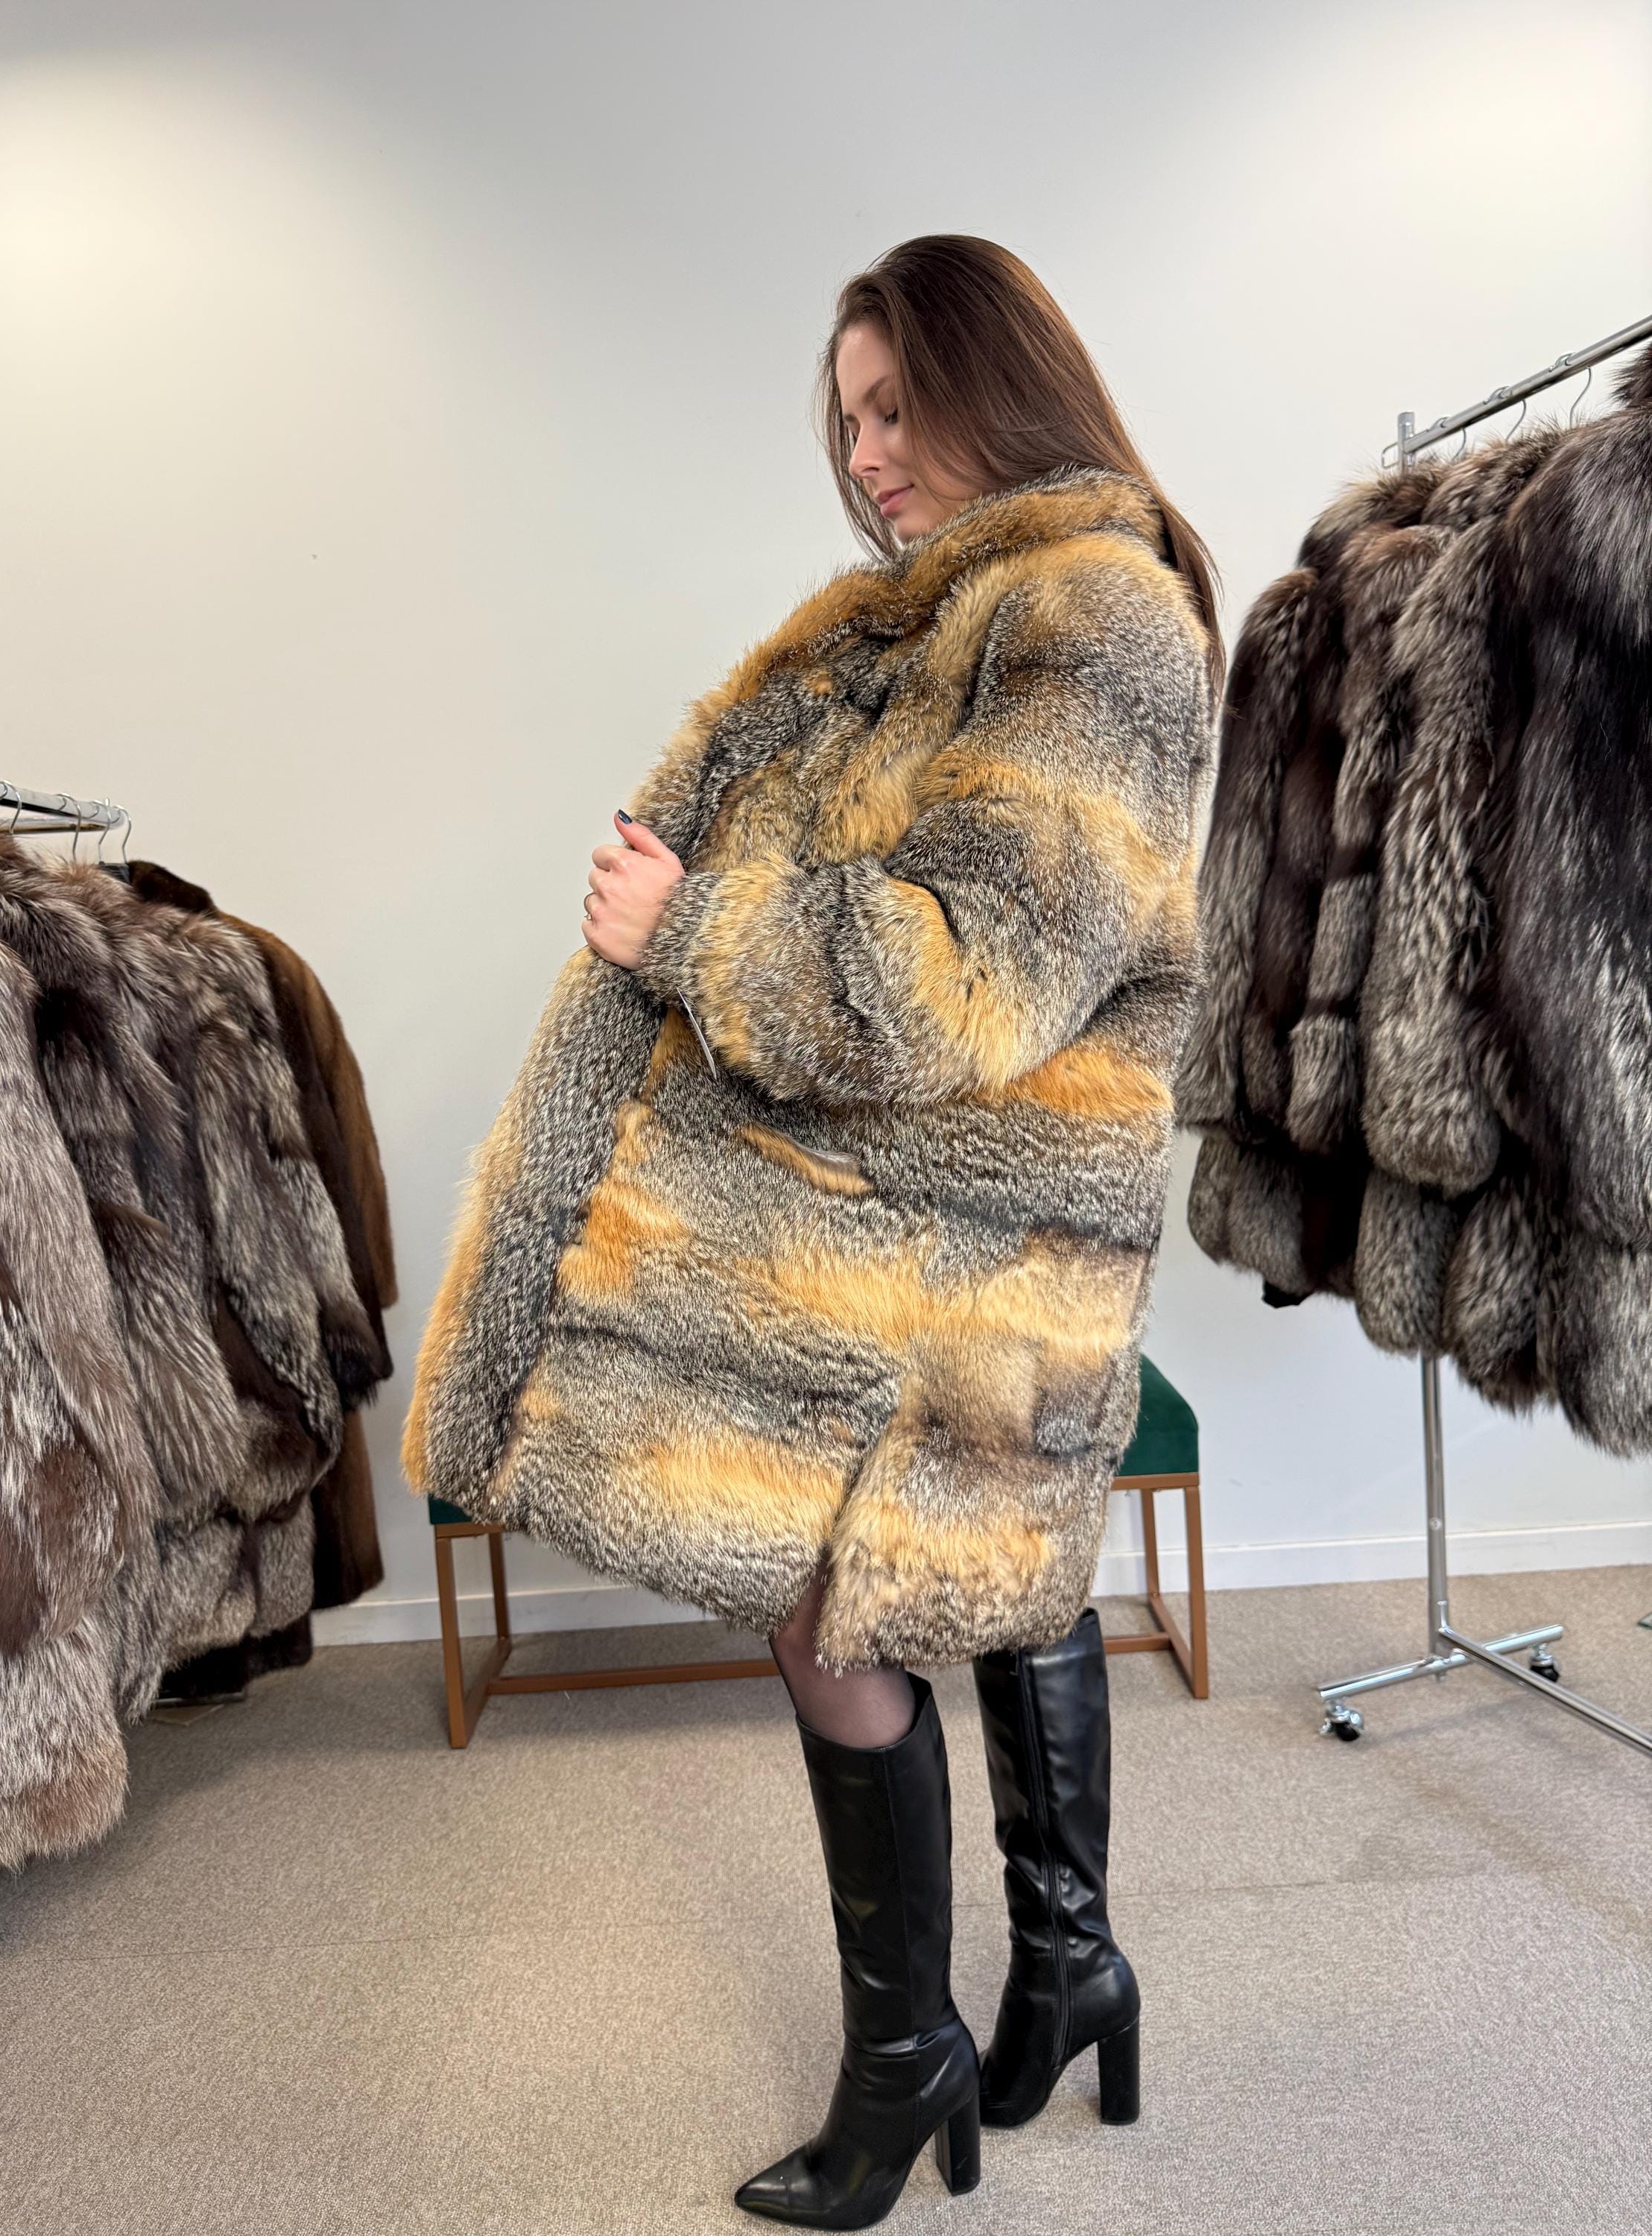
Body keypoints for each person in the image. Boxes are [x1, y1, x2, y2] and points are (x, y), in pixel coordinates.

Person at [404, 233, 1221, 2229]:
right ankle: (1061, 1971)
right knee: (992, 1585)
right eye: (846, 420)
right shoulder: (927, 626)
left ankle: (911, 2051)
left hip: (963, 1254)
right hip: (946, 1238)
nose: (865, 456)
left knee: (834, 1610)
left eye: (895, 407)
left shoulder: (1088, 620)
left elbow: (959, 974)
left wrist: (685, 925)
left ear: (997, 383)